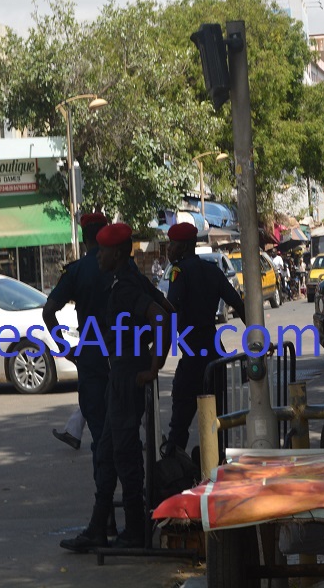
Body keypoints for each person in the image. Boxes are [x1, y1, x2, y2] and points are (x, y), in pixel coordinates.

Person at [60, 223, 170, 552]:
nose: (98, 257)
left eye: (104, 251)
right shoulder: (129, 280)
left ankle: (135, 529)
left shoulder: (125, 286)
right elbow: (168, 311)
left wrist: (152, 366)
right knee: (107, 453)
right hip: (118, 376)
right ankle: (98, 527)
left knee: (124, 456)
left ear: (118, 254)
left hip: (125, 376)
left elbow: (162, 319)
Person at [164, 222, 246, 454]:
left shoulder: (178, 272)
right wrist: (254, 337)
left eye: (173, 244)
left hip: (192, 356)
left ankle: (172, 469)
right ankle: (216, 464)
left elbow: (171, 309)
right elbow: (239, 304)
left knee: (179, 422)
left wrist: (160, 348)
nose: (169, 249)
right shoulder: (212, 270)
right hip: (214, 352)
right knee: (216, 420)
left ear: (186, 246)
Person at [43, 212, 111, 459]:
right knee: (125, 435)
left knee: (101, 435)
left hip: (91, 357)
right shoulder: (124, 267)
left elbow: (49, 311)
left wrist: (66, 349)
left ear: (83, 238)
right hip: (124, 354)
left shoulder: (77, 271)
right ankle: (132, 496)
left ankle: (104, 497)